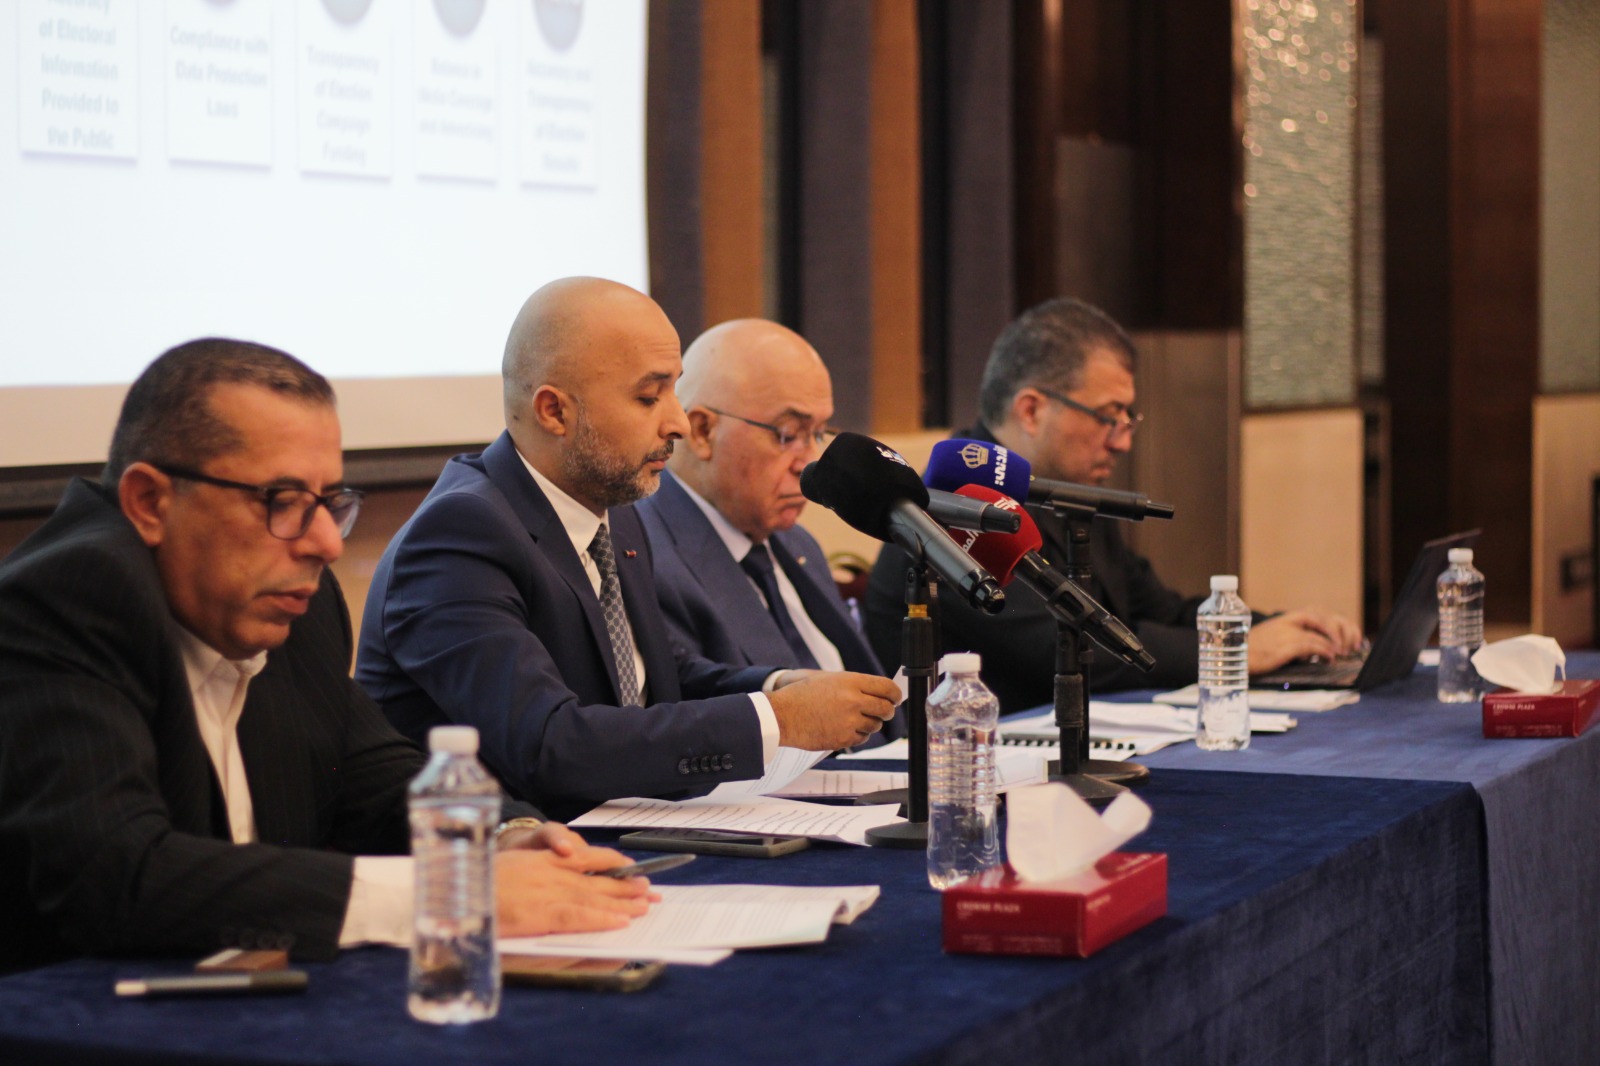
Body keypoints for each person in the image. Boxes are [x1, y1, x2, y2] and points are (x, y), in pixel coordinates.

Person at [0, 339, 650, 975]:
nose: (324, 544)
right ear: (150, 503)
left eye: (329, 504)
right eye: (281, 502)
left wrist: (501, 839)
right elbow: (116, 874)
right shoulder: (64, 598)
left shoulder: (292, 604)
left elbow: (374, 776)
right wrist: (444, 892)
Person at [356, 279, 900, 819]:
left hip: (620, 831)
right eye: (648, 397)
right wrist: (777, 720)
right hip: (502, 852)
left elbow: (656, 677)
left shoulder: (611, 513)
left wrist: (777, 686)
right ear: (554, 412)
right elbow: (547, 744)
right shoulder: (460, 535)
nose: (678, 422)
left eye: (674, 391)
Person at [865, 297, 1363, 713]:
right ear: (1032, 410)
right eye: (1109, 417)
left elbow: (1157, 610)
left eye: (1128, 418)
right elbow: (1065, 647)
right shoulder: (951, 507)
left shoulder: (1065, 495)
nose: (1122, 442)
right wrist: (1229, 651)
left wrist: (1272, 628)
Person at [635, 319, 883, 680]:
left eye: (818, 433)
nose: (809, 462)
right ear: (703, 431)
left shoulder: (797, 543)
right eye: (787, 434)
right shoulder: (648, 561)